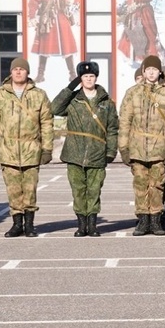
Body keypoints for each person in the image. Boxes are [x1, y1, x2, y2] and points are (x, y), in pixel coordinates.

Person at [0, 58, 54, 238]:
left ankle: (30, 225)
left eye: (22, 69)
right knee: (13, 190)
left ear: (27, 72)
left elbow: (47, 123)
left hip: (31, 149)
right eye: (15, 69)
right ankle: (17, 224)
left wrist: (47, 149)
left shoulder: (39, 95)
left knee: (30, 190)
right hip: (8, 150)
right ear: (10, 72)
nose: (18, 72)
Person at [51, 61, 119, 237]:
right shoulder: (73, 100)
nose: (89, 79)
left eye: (91, 76)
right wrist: (70, 88)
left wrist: (111, 151)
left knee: (94, 190)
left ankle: (93, 225)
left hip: (97, 153)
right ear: (80, 79)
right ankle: (81, 225)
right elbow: (55, 108)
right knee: (78, 190)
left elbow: (112, 129)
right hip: (74, 153)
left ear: (96, 78)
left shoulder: (106, 102)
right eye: (85, 76)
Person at [119, 55, 165, 236]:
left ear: (159, 72)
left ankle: (155, 219)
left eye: (155, 70)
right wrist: (123, 148)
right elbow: (125, 121)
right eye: (148, 70)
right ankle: (142, 220)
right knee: (140, 185)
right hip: (137, 148)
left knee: (157, 185)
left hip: (159, 149)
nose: (152, 73)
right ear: (143, 72)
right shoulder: (133, 93)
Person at [27, 0, 79, 83]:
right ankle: (40, 74)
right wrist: (32, 16)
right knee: (44, 46)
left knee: (66, 44)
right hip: (46, 17)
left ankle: (73, 74)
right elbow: (33, 0)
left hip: (61, 15)